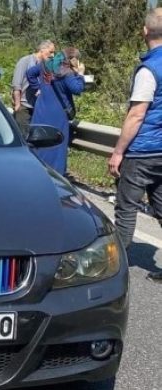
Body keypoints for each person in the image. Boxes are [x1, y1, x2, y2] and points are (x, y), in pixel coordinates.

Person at [108, 8, 162, 282]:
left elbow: (137, 113)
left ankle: (116, 272)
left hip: (143, 151)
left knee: (126, 208)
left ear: (145, 31)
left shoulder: (149, 69)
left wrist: (118, 151)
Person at [26, 48, 85, 175]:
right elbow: (78, 89)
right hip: (58, 114)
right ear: (73, 60)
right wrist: (80, 74)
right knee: (56, 146)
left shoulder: (45, 65)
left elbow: (30, 73)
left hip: (41, 110)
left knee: (39, 143)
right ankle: (56, 176)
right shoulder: (66, 73)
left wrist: (38, 88)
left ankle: (35, 171)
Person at [12, 40, 56, 137]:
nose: (52, 55)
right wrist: (17, 105)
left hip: (38, 108)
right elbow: (16, 84)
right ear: (42, 49)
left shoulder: (46, 65)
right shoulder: (25, 61)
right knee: (23, 138)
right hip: (24, 107)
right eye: (51, 51)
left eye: (54, 53)